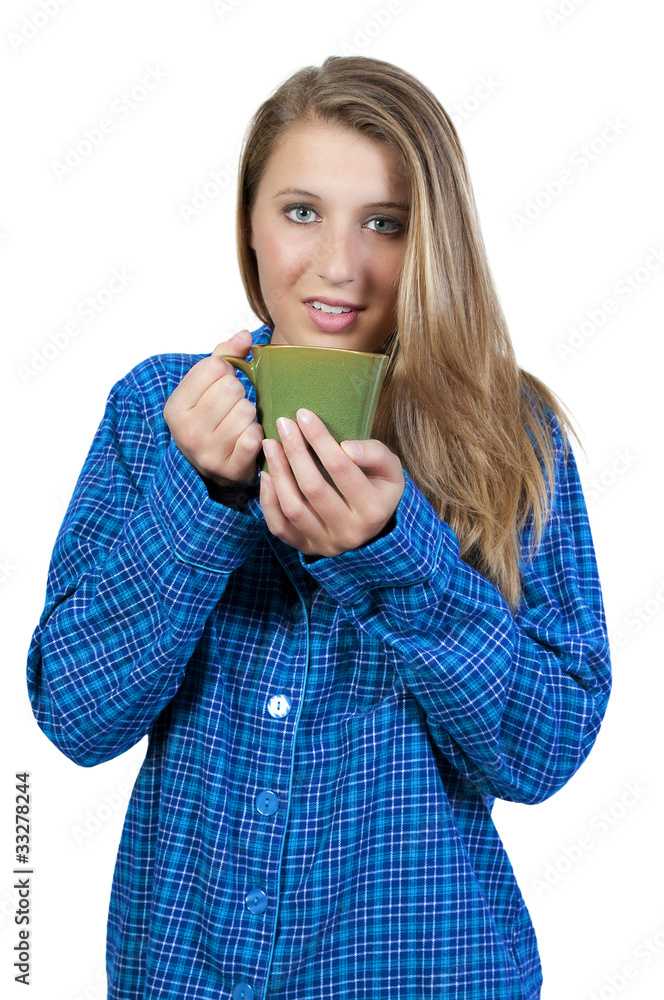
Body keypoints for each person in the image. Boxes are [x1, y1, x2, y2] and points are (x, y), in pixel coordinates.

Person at [27, 55, 611, 999]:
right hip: (182, 975)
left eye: (385, 223)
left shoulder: (509, 431)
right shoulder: (156, 411)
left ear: (433, 240)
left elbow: (543, 752)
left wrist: (393, 558)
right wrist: (199, 497)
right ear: (249, 225)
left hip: (424, 973)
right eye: (301, 211)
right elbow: (77, 716)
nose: (339, 264)